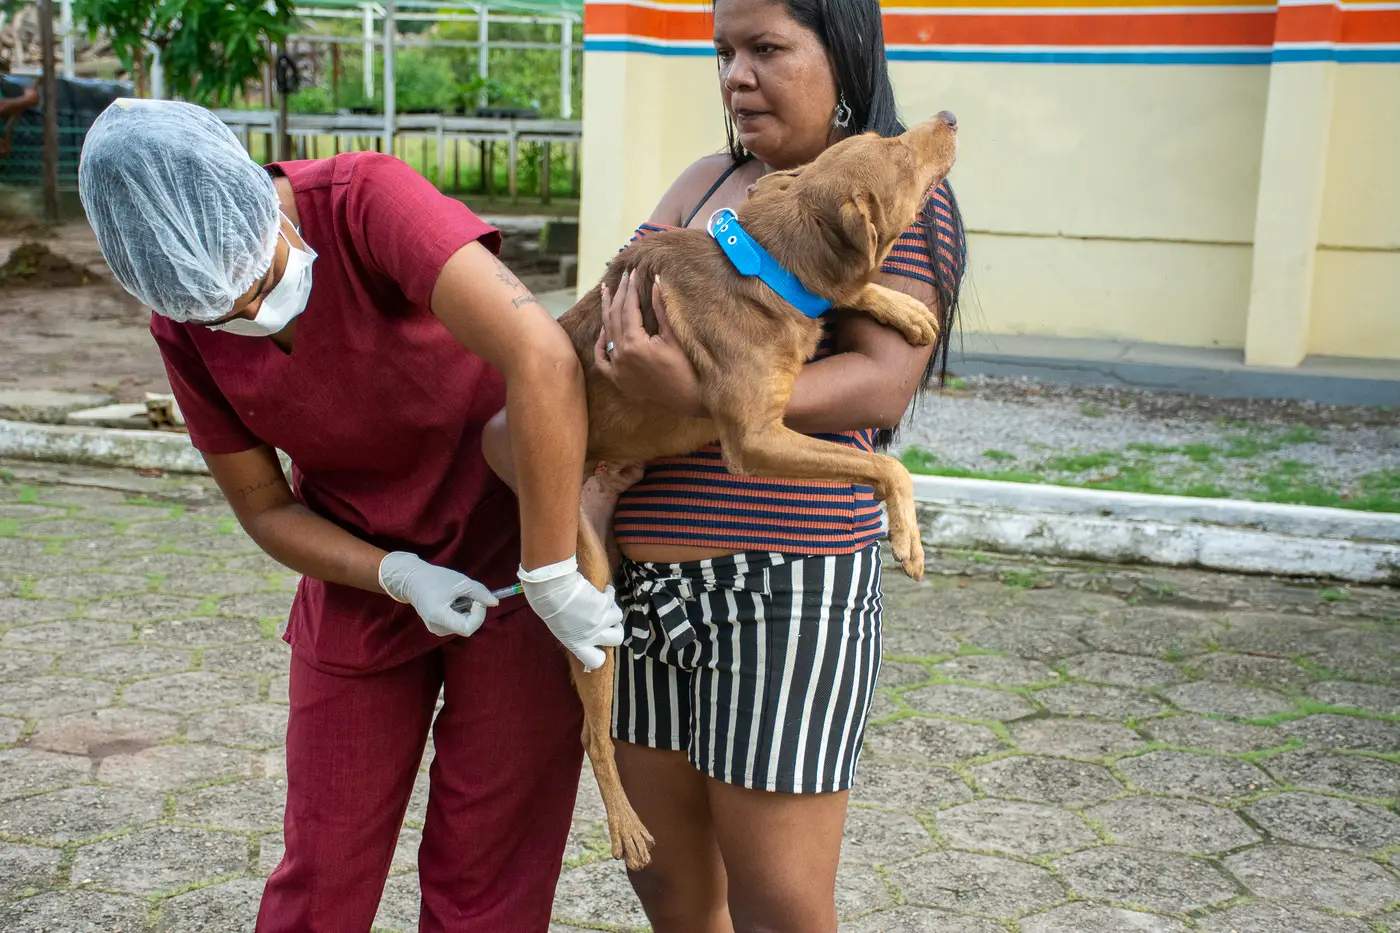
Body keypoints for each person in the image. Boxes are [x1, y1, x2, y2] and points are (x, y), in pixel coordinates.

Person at [76, 98, 624, 933]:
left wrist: (552, 571)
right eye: (223, 312)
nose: (249, 313)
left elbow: (541, 356)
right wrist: (395, 574)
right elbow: (264, 506)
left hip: (515, 557)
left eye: (257, 281)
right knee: (324, 864)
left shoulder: (367, 200)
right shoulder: (182, 317)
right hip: (362, 575)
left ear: (255, 202)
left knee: (490, 868)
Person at [586, 1, 968, 930]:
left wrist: (701, 391)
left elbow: (880, 384)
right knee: (672, 891)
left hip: (784, 588)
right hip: (642, 590)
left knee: (779, 903)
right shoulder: (708, 182)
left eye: (766, 49)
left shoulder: (882, 189)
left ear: (843, 53)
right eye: (724, 51)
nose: (737, 76)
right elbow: (613, 315)